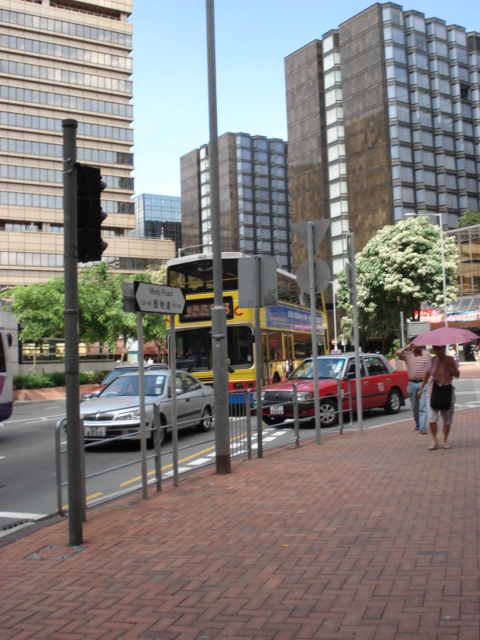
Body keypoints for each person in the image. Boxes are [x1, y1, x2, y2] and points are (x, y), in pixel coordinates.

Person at [418, 344, 460, 450]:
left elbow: (457, 374)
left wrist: (449, 368)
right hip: (433, 391)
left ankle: (445, 440)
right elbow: (427, 375)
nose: (437, 351)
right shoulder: (432, 361)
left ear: (443, 349)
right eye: (435, 349)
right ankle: (435, 440)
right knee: (432, 418)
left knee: (447, 418)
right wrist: (421, 389)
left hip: (447, 391)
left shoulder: (450, 360)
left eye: (439, 349)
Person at [396, 342, 432, 434]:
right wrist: (407, 347)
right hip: (412, 384)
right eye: (415, 344)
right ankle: (418, 423)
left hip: (423, 383)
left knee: (422, 406)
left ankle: (422, 427)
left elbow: (429, 370)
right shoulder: (408, 355)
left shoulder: (426, 354)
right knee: (415, 407)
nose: (418, 345)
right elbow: (398, 353)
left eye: (419, 343)